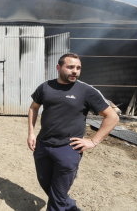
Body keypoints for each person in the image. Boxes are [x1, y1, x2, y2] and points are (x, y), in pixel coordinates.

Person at [27, 53, 119, 211]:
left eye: (78, 68)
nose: (75, 71)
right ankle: (71, 208)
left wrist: (93, 141)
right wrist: (31, 132)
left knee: (57, 197)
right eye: (70, 67)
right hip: (42, 145)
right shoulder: (45, 87)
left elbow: (112, 117)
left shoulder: (86, 91)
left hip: (68, 149)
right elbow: (34, 107)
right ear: (59, 68)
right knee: (47, 186)